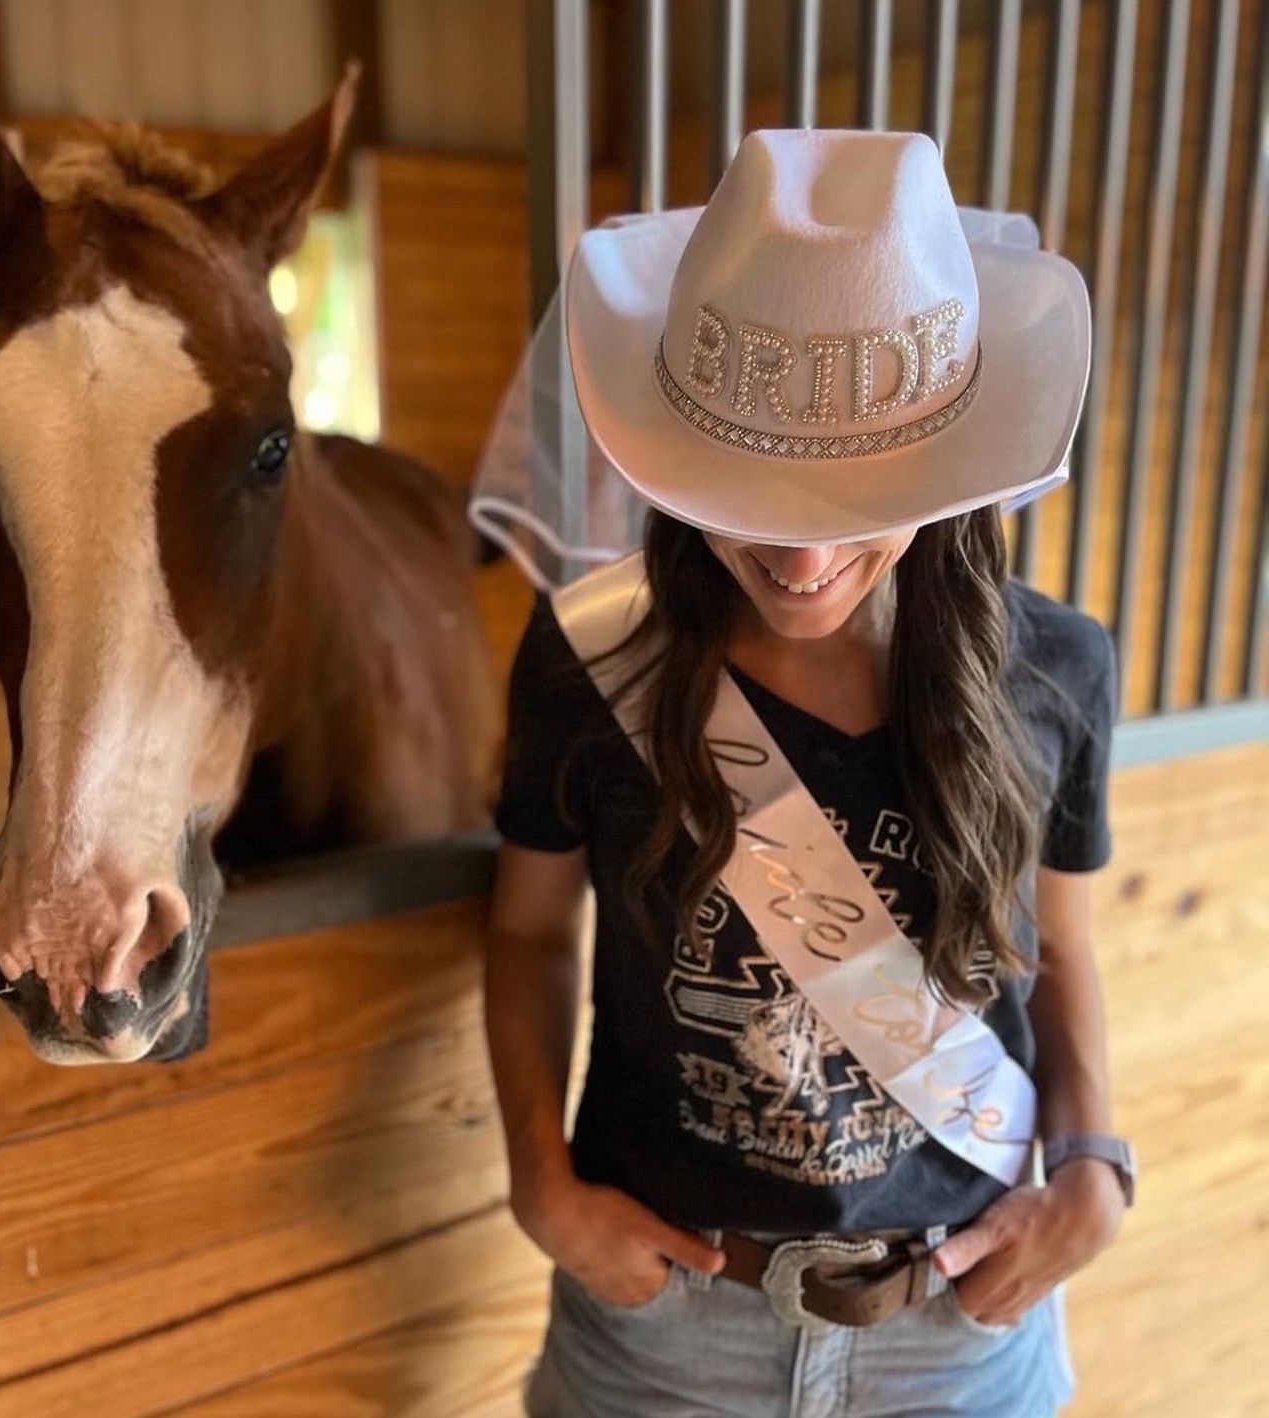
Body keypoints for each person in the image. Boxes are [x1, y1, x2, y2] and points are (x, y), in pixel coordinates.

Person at [482, 129, 1134, 1418]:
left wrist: (1096, 1163)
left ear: (950, 472)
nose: (793, 558)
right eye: (740, 490)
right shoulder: (589, 664)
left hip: (962, 1322)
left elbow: (1056, 950)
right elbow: (527, 938)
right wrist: (540, 1183)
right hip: (665, 1329)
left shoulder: (1058, 672)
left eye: (852, 500)